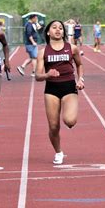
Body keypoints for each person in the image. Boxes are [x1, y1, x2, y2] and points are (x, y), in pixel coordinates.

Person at [35, 20, 84, 165]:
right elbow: (38, 76)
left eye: (60, 28)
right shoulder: (43, 52)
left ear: (64, 32)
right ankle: (58, 152)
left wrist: (80, 79)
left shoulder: (72, 48)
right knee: (53, 126)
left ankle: (70, 115)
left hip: (69, 87)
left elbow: (80, 64)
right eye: (54, 28)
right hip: (51, 89)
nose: (58, 30)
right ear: (48, 32)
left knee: (69, 121)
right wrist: (47, 74)